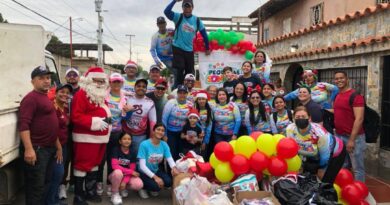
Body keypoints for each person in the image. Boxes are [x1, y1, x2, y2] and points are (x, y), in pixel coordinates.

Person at [71, 67, 112, 204]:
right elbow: (76, 117)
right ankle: (78, 196)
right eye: (96, 80)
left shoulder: (99, 95)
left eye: (102, 81)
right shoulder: (81, 95)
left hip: (99, 139)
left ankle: (90, 191)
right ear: (89, 80)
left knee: (94, 165)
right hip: (85, 139)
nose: (99, 84)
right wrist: (95, 122)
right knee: (82, 165)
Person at [18, 66, 58, 205]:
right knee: (35, 188)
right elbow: (23, 125)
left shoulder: (44, 96)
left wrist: (56, 146)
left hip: (48, 149)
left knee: (44, 185)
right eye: (41, 78)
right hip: (37, 150)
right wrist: (29, 149)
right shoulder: (30, 99)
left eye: (48, 78)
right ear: (32, 81)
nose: (46, 81)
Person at [286, 106, 346, 184]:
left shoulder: (319, 132)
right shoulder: (290, 129)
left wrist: (321, 170)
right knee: (307, 178)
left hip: (335, 152)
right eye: (297, 117)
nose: (300, 119)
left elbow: (325, 156)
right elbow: (293, 149)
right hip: (312, 153)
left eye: (303, 116)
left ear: (309, 118)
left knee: (325, 180)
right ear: (293, 119)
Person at [164, 0, 210, 87]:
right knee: (180, 68)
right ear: (182, 8)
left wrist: (207, 48)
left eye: (189, 6)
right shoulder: (178, 17)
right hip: (178, 47)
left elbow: (204, 34)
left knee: (190, 72)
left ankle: (188, 90)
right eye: (185, 6)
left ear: (192, 8)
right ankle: (178, 89)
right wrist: (174, 1)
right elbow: (166, 12)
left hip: (189, 49)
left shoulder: (197, 20)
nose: (187, 8)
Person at [99, 73, 130, 196]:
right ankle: (99, 182)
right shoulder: (103, 96)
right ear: (110, 83)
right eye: (114, 82)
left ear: (121, 83)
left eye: (118, 82)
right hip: (103, 131)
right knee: (101, 159)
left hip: (117, 133)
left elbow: (126, 117)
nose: (116, 84)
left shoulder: (125, 98)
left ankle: (110, 183)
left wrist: (128, 112)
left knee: (113, 159)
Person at [333, 71, 366, 182]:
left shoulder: (355, 96)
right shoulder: (337, 95)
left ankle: (360, 194)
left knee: (358, 169)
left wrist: (351, 140)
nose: (339, 80)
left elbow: (359, 119)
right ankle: (347, 191)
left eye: (341, 78)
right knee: (344, 166)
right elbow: (338, 112)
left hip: (354, 138)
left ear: (347, 79)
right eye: (336, 79)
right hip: (339, 136)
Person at [138, 124, 180, 199]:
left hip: (155, 170)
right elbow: (142, 166)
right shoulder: (144, 144)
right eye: (158, 129)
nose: (160, 132)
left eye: (162, 130)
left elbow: (169, 158)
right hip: (143, 172)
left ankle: (151, 185)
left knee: (168, 182)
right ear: (153, 131)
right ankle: (142, 187)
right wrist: (156, 177)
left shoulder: (164, 145)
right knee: (156, 187)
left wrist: (174, 167)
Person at [46, 84, 72, 205]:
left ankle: (54, 199)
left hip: (64, 144)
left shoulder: (65, 108)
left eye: (67, 93)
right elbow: (51, 129)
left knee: (58, 174)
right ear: (55, 93)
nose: (65, 94)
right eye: (62, 92)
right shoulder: (52, 108)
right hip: (55, 146)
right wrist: (59, 148)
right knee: (57, 174)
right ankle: (50, 201)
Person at [59, 67, 81, 199]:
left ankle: (74, 182)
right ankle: (62, 185)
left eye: (74, 75)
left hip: (79, 129)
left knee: (76, 158)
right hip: (64, 130)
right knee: (65, 158)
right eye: (69, 75)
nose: (72, 77)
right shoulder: (61, 91)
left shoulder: (83, 92)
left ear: (78, 77)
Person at [123, 79, 157, 158]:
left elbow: (153, 121)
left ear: (146, 89)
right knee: (124, 157)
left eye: (143, 87)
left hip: (140, 136)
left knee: (138, 158)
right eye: (138, 86)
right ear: (134, 87)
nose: (141, 88)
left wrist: (152, 137)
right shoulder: (127, 98)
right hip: (125, 133)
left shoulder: (150, 102)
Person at [109, 133, 143, 204]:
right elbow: (114, 166)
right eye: (124, 139)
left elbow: (132, 168)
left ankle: (122, 188)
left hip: (126, 175)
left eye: (129, 139)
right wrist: (130, 172)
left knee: (139, 184)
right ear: (120, 141)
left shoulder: (133, 151)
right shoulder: (115, 149)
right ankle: (115, 193)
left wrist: (124, 182)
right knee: (118, 172)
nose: (127, 141)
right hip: (115, 175)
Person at [162, 85, 193, 160]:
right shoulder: (171, 103)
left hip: (182, 133)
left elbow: (192, 119)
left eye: (184, 93)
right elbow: (164, 119)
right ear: (177, 93)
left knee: (181, 153)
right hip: (170, 132)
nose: (182, 95)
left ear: (187, 94)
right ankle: (170, 171)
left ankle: (179, 170)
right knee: (171, 153)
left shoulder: (190, 104)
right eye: (180, 93)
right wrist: (165, 135)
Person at [194, 90, 212, 158]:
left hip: (205, 138)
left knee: (203, 156)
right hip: (195, 137)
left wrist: (205, 142)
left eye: (203, 99)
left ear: (206, 100)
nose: (201, 101)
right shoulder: (194, 109)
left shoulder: (210, 111)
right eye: (199, 99)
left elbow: (209, 128)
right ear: (197, 100)